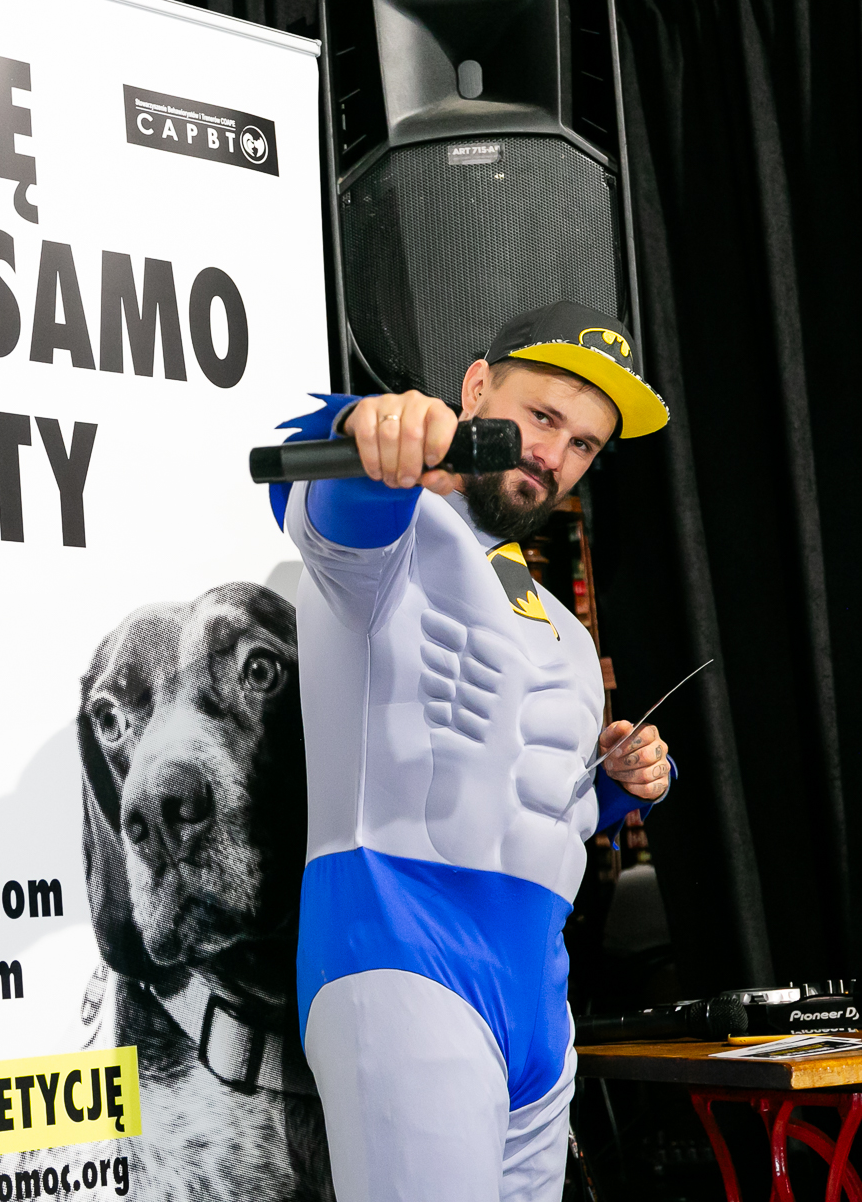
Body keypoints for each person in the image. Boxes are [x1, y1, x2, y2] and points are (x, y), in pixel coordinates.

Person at [269, 301, 676, 1201]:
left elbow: (537, 802)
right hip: (400, 952)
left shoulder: (560, 627)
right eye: (542, 416)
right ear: (478, 387)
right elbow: (324, 489)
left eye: (583, 444)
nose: (554, 455)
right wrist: (367, 428)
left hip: (537, 995)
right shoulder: (390, 540)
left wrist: (624, 782)